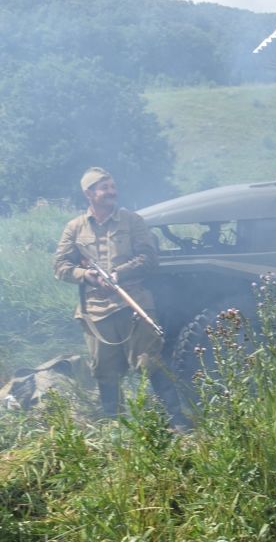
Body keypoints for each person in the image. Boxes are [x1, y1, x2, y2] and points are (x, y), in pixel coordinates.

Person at [54, 167, 187, 427]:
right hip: (96, 311)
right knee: (105, 373)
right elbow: (59, 266)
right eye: (104, 187)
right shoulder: (74, 228)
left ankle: (176, 423)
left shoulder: (132, 221)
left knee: (150, 365)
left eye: (113, 186)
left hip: (134, 304)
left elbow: (149, 259)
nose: (111, 192)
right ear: (89, 193)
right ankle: (116, 428)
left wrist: (117, 274)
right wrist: (86, 275)